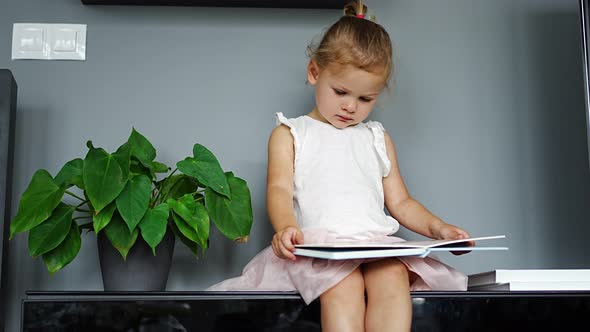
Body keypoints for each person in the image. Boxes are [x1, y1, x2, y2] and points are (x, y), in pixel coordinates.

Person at [208, 1, 472, 331]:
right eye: (341, 91)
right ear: (314, 72)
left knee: (393, 278)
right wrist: (286, 226)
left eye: (365, 99)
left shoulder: (376, 137)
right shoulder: (291, 134)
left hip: (375, 244)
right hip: (322, 248)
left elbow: (401, 203)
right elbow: (279, 189)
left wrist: (440, 230)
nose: (350, 107)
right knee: (342, 286)